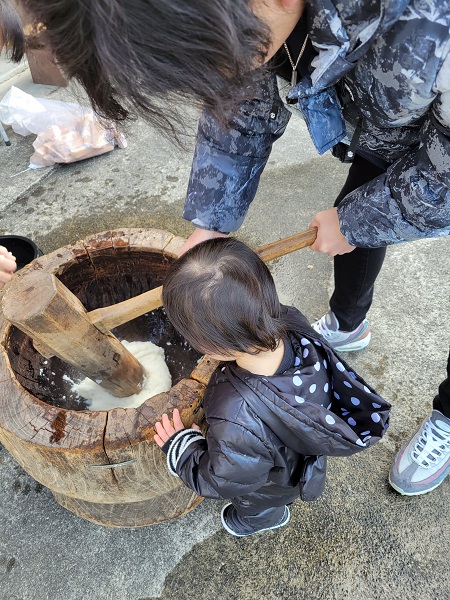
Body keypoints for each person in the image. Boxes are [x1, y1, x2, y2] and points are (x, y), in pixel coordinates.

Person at [6, 1, 450, 494]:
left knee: (359, 219)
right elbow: (241, 101)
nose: (214, 78)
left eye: (209, 62)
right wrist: (211, 220)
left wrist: (365, 219)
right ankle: (347, 325)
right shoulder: (246, 22)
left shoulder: (430, 25)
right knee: (357, 209)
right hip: (384, 131)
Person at [154, 237, 390, 536]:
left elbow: (222, 479)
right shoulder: (291, 322)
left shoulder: (237, 416)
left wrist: (183, 448)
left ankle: (261, 520)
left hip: (268, 486)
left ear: (212, 348)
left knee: (258, 505)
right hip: (296, 458)